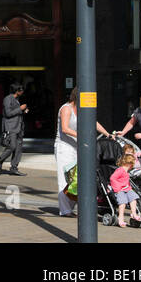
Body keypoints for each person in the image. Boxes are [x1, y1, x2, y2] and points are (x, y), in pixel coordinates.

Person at [56, 87, 111, 217]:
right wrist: (81, 135)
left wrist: (107, 134)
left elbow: (93, 122)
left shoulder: (82, 110)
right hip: (64, 147)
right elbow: (65, 128)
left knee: (77, 178)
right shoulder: (66, 108)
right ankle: (65, 210)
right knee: (65, 178)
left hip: (78, 146)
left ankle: (71, 207)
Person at [0, 83, 28, 175]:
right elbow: (8, 113)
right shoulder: (7, 99)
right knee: (12, 146)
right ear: (17, 91)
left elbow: (16, 112)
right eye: (21, 90)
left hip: (19, 126)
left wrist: (23, 111)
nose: (22, 92)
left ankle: (14, 167)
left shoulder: (16, 99)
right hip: (11, 127)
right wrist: (20, 109)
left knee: (18, 148)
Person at [109, 150, 141, 228]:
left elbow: (126, 182)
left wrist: (129, 188)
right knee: (123, 202)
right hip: (119, 190)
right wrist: (118, 188)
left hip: (126, 189)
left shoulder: (126, 171)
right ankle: (121, 217)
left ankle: (133, 213)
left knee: (133, 198)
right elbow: (112, 178)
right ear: (130, 164)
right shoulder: (120, 170)